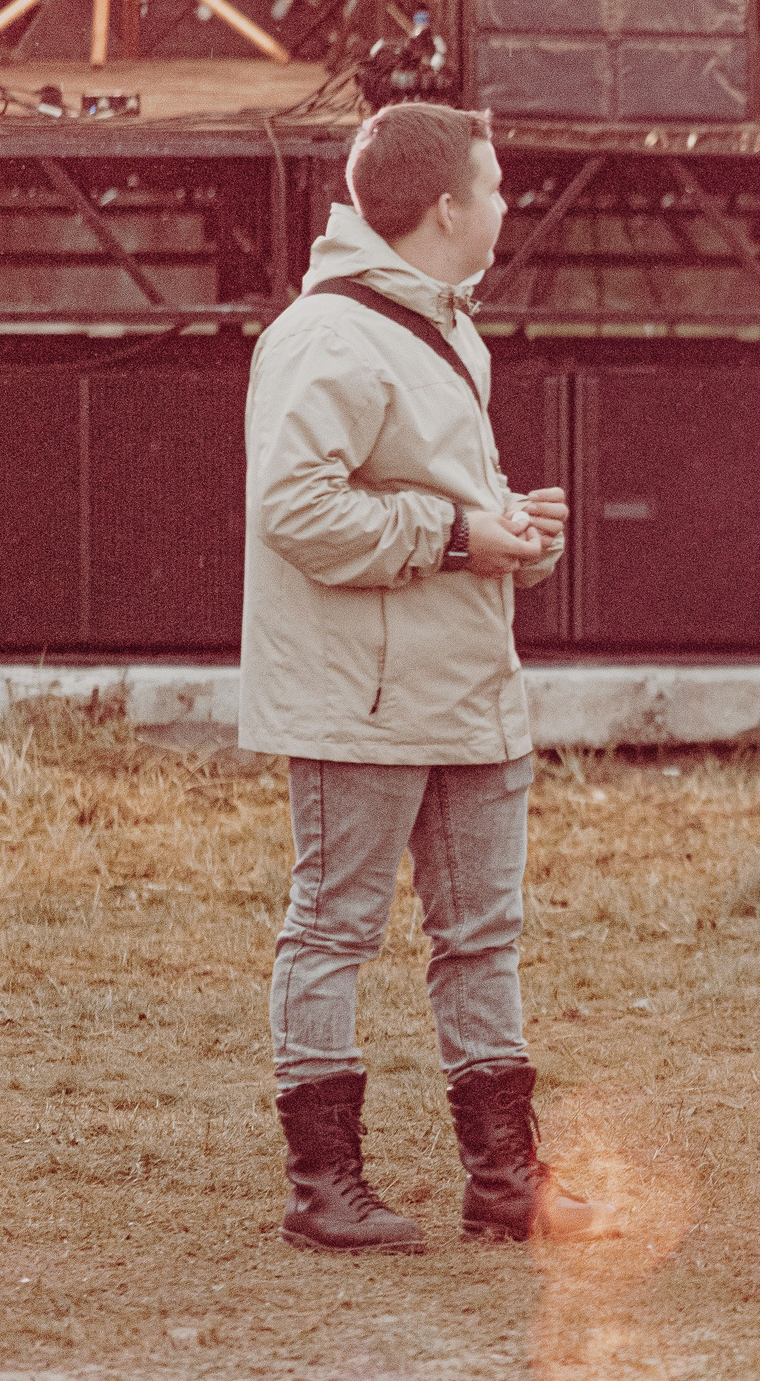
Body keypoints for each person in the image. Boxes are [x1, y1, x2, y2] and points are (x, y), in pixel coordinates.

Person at [243, 102, 618, 1254]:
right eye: (495, 187)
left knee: (483, 936)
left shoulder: (438, 326)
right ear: (448, 207)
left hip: (460, 690)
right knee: (334, 930)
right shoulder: (327, 337)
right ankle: (324, 1190)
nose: (507, 203)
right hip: (363, 701)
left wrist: (508, 530)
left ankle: (505, 1184)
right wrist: (461, 535)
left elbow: (420, 497)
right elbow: (295, 510)